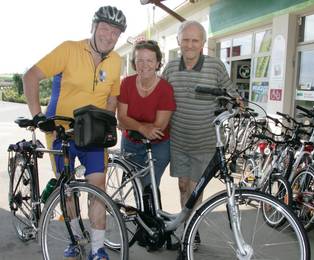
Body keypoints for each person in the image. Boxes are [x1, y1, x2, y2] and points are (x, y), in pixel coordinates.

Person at [22, 6, 126, 260]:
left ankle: (98, 249)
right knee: (67, 190)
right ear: (93, 27)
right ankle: (75, 240)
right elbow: (31, 76)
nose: (108, 35)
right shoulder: (69, 49)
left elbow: (113, 96)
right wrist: (38, 117)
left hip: (94, 136)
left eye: (115, 32)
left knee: (98, 189)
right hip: (61, 132)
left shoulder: (116, 60)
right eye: (104, 28)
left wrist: (107, 121)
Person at [161, 20, 241, 246]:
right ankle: (186, 226)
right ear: (178, 41)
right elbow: (161, 97)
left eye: (195, 40)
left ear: (203, 43)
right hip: (179, 140)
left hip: (205, 141)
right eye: (185, 40)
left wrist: (237, 103)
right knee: (183, 186)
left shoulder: (215, 66)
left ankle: (190, 232)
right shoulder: (170, 68)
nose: (189, 45)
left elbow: (230, 91)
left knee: (196, 189)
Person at [117, 40, 176, 189]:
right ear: (134, 63)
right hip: (130, 143)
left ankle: (152, 213)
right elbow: (122, 118)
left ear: (157, 63)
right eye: (140, 60)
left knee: (149, 186)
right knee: (135, 187)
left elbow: (158, 128)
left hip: (158, 146)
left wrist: (132, 124)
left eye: (150, 60)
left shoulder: (165, 89)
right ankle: (139, 212)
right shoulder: (126, 84)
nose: (144, 65)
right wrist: (143, 128)